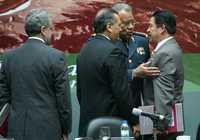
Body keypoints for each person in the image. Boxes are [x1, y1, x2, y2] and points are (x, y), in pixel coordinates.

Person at [0, 9, 72, 140]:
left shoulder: (9, 58)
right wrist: (65, 129)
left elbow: (3, 97)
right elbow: (63, 100)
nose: (53, 32)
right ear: (43, 30)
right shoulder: (56, 57)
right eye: (51, 28)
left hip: (17, 130)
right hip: (47, 130)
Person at [76, 8, 135, 137]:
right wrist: (133, 122)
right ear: (109, 27)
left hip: (88, 126)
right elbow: (121, 93)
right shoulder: (113, 52)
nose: (120, 30)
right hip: (110, 127)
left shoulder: (84, 51)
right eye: (119, 26)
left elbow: (79, 92)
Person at [111, 3, 160, 138]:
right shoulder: (108, 44)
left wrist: (148, 118)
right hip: (115, 113)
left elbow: (147, 84)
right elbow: (110, 79)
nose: (131, 27)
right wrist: (133, 73)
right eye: (126, 24)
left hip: (138, 110)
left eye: (132, 22)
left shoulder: (141, 41)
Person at [143, 10, 184, 140]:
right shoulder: (171, 47)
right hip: (171, 120)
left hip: (164, 127)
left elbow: (164, 92)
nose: (147, 30)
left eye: (151, 26)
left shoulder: (164, 53)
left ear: (162, 28)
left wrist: (161, 124)